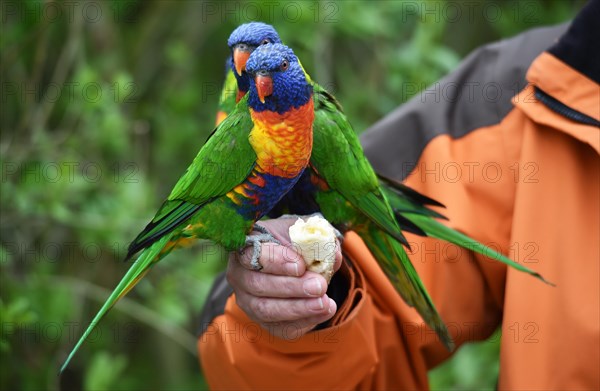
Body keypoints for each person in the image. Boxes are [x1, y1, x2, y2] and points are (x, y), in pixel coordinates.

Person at [197, 1, 599, 389]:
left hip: (347, 206)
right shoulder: (516, 89)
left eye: (263, 54)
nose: (249, 65)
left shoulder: (312, 120)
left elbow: (354, 189)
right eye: (241, 57)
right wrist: (311, 299)